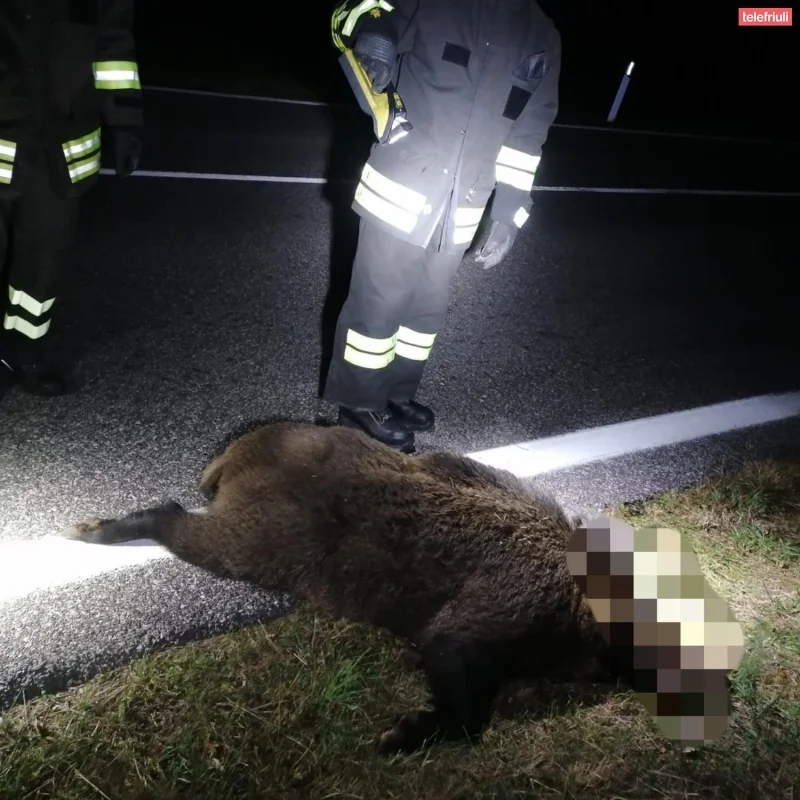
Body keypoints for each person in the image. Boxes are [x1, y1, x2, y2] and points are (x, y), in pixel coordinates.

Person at [325, 0, 562, 453]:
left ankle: (397, 391)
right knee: (380, 297)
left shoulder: (542, 34)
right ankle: (357, 403)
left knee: (426, 307)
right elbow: (350, 16)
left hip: (466, 198)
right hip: (404, 181)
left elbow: (529, 133)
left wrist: (510, 210)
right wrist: (376, 32)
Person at [0, 0, 143, 403]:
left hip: (62, 146)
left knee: (43, 264)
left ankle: (23, 352)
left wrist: (126, 121)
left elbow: (115, 48)